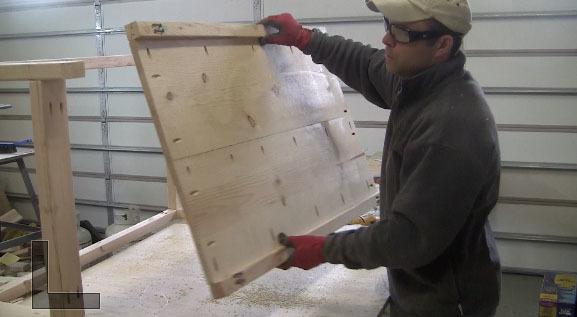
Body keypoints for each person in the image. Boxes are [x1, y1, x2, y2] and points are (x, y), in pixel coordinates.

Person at [260, 0, 501, 316]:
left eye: (402, 33)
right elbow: (365, 64)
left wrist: (323, 249)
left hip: (444, 302)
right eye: (389, 25)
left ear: (442, 45)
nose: (386, 39)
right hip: (419, 285)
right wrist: (306, 38)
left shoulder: (452, 128)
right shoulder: (421, 83)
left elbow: (407, 239)